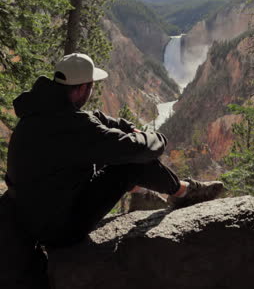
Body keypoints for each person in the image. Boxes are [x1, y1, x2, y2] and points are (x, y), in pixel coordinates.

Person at [5, 53, 223, 248]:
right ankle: (184, 192)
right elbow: (136, 149)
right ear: (83, 88)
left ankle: (157, 193)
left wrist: (126, 127)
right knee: (129, 164)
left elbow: (94, 118)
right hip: (57, 229)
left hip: (31, 215)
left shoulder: (41, 113)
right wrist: (158, 138)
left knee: (115, 155)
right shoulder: (73, 127)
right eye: (91, 86)